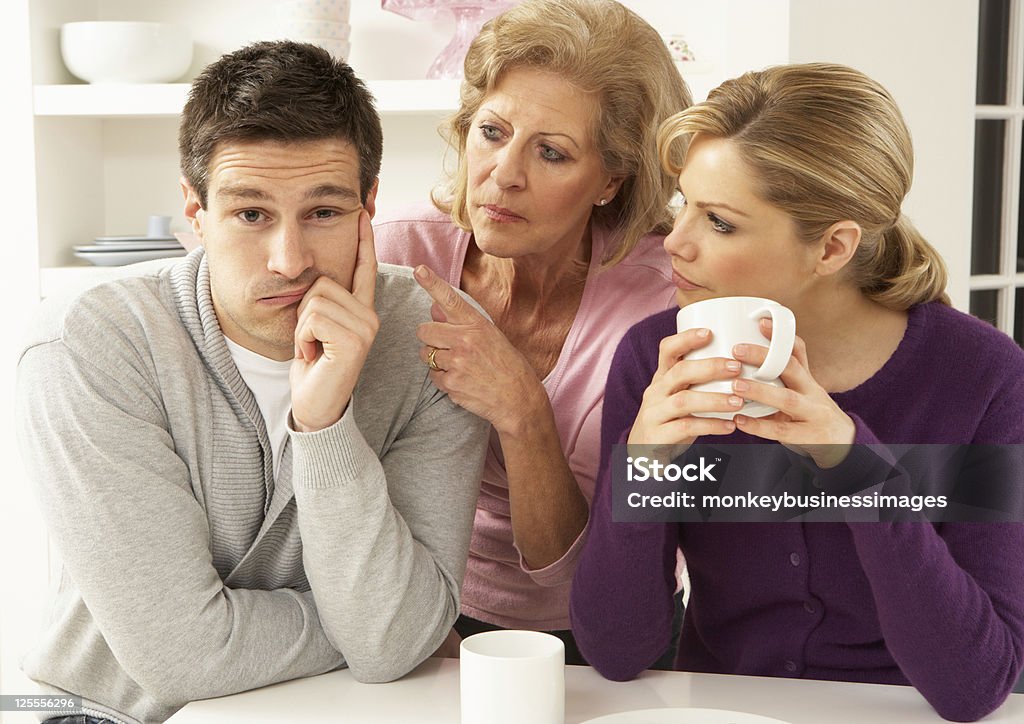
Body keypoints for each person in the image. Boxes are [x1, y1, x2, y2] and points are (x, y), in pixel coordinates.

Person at [15, 41, 488, 724]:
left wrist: (324, 426)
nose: (289, 260)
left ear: (369, 206)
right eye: (250, 214)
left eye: (323, 212)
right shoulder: (86, 343)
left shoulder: (436, 334)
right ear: (194, 209)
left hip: (338, 710)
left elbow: (393, 645)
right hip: (106, 712)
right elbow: (182, 658)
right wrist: (374, 629)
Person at [570, 63, 1024, 722]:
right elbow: (617, 652)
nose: (677, 242)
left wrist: (856, 466)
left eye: (720, 222)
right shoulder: (658, 360)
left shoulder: (985, 378)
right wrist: (642, 467)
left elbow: (974, 684)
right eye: (684, 205)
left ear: (834, 247)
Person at [373, 0, 692, 663]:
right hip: (415, 610)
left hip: (596, 634)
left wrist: (522, 408)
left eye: (551, 152)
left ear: (611, 177)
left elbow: (572, 574)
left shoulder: (660, 308)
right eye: (493, 132)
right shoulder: (394, 252)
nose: (505, 173)